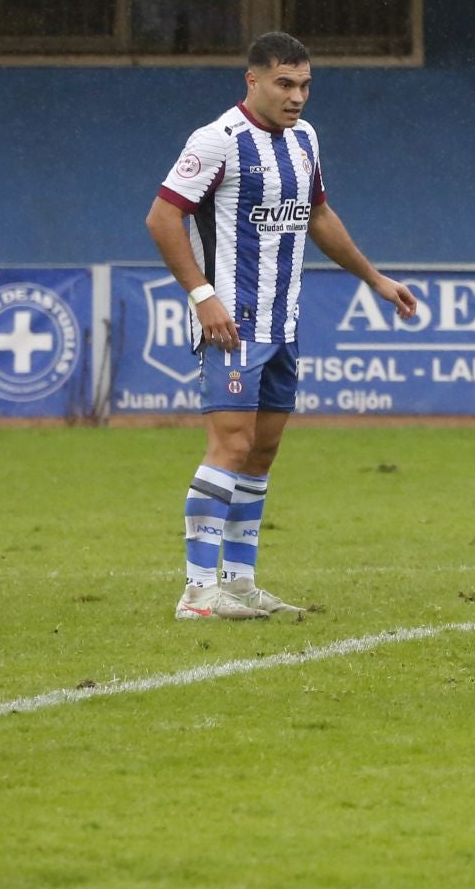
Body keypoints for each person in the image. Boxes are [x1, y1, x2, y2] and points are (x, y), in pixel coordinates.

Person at [148, 31, 417, 622]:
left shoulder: (305, 139)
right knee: (231, 444)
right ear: (253, 81)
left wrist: (375, 278)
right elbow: (164, 218)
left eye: (305, 86)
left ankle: (239, 584)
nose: (297, 97)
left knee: (262, 452)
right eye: (284, 84)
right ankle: (197, 591)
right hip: (233, 324)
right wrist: (202, 297)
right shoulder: (216, 141)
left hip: (284, 320)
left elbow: (318, 215)